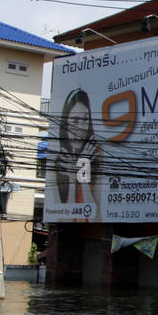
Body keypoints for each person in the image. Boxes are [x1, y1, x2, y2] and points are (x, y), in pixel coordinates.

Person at [56, 88, 102, 222]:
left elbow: (94, 216)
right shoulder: (58, 160)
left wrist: (83, 170)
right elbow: (66, 219)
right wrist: (71, 179)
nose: (81, 127)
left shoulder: (97, 154)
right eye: (75, 121)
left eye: (85, 120)